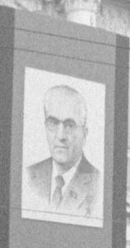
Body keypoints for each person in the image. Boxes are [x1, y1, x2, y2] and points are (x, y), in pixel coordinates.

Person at [22, 84, 102, 225]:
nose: (60, 136)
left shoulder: (99, 185)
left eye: (69, 125)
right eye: (53, 123)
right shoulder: (28, 176)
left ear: (84, 134)